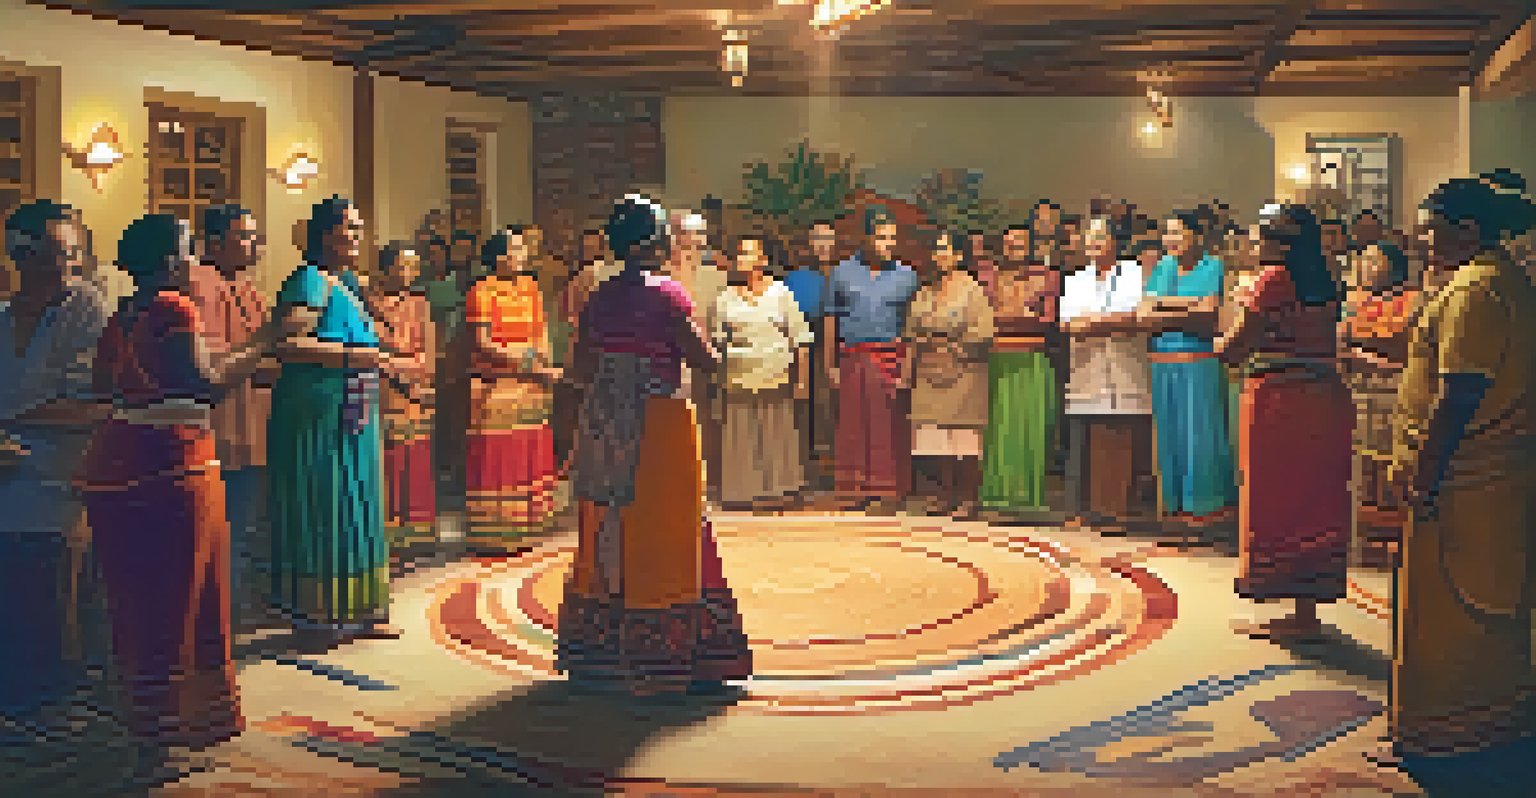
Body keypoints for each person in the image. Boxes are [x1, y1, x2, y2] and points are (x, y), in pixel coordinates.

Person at [78, 214, 277, 759]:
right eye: (189, 252)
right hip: (171, 464)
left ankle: (145, 715)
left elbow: (104, 388)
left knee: (136, 597)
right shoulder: (173, 307)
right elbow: (203, 386)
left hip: (117, 462)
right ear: (170, 262)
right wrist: (267, 342)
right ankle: (173, 727)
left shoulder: (123, 313)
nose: (195, 264)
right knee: (183, 595)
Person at [558, 194, 752, 696]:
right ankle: (665, 655)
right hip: (660, 425)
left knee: (609, 522)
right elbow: (705, 361)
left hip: (604, 421)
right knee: (666, 530)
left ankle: (603, 651)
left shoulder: (598, 298)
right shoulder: (668, 295)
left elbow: (578, 372)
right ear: (655, 242)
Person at [1379, 176, 1536, 760]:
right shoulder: (1500, 280)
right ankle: (1495, 724)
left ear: (1466, 229)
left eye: (1430, 230)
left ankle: (1447, 737)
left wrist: (1424, 474)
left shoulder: (1476, 289)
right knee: (1491, 607)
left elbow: (1461, 392)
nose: (1422, 242)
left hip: (1463, 483)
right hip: (1489, 481)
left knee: (1449, 614)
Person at [1214, 204, 1351, 641]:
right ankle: (1305, 611)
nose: (1254, 247)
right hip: (1323, 398)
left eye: (1259, 239)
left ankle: (1294, 612)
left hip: (1279, 400)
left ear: (1278, 242)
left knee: (1276, 500)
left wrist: (1222, 331)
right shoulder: (1324, 278)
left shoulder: (1273, 281)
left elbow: (1235, 348)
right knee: (1312, 500)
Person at [267, 196, 398, 641]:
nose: (358, 235)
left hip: (351, 409)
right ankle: (320, 615)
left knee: (358, 502)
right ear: (325, 234)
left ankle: (359, 611)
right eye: (350, 227)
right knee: (327, 505)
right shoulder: (308, 280)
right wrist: (357, 356)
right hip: (318, 413)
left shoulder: (344, 282)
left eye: (360, 227)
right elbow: (286, 345)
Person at [0, 200, 110, 728]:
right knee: (14, 590)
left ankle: (55, 704)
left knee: (54, 588)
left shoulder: (85, 306)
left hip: (59, 473)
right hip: (7, 474)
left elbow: (93, 401)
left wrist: (18, 415)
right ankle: (22, 697)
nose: (66, 264)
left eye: (73, 253)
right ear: (20, 254)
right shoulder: (2, 316)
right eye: (52, 252)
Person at [188, 204, 275, 633]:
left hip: (253, 424)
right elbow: (216, 366)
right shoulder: (201, 283)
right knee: (222, 529)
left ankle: (234, 610)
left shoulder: (248, 288)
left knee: (244, 527)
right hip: (220, 425)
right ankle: (218, 620)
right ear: (214, 242)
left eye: (256, 236)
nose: (255, 244)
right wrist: (265, 347)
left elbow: (262, 357)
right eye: (245, 236)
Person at [463, 227, 560, 542]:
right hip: (497, 386)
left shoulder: (531, 287)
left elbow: (542, 332)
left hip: (531, 385)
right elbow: (482, 343)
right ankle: (497, 532)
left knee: (530, 453)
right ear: (500, 257)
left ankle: (531, 526)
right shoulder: (481, 291)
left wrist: (542, 361)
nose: (523, 255)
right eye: (516, 249)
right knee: (501, 457)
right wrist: (528, 362)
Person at [1140, 210, 1236, 526]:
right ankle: (1174, 503)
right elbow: (1143, 311)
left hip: (1199, 359)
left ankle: (1206, 505)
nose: (1170, 240)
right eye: (1167, 233)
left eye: (1177, 233)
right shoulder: (1164, 266)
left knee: (1200, 430)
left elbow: (1209, 310)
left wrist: (1164, 305)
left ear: (1195, 235)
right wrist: (1189, 305)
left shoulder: (1213, 265)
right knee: (1168, 431)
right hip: (1162, 359)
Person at [1060, 217, 1154, 527]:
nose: (1092, 241)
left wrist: (1094, 323)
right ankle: (1086, 511)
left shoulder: (1134, 274)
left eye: (1100, 236)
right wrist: (1110, 322)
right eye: (1089, 236)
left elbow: (1137, 318)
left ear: (1115, 241)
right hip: (1087, 369)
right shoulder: (1075, 279)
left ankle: (1118, 512)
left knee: (1122, 438)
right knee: (1085, 442)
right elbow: (1068, 325)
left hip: (1126, 369)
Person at [826, 206, 920, 508]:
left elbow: (913, 324)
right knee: (853, 426)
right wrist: (829, 364)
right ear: (866, 238)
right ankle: (854, 491)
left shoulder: (907, 276)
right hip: (852, 356)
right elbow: (830, 321)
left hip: (890, 357)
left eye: (892, 238)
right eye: (881, 238)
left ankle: (888, 492)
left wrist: (907, 367)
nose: (887, 244)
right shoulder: (841, 273)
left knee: (888, 427)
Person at [713, 232, 813, 510]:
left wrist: (801, 380)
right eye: (738, 254)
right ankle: (742, 493)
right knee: (741, 435)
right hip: (738, 375)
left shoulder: (780, 293)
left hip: (774, 374)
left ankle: (781, 491)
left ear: (763, 259)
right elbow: (717, 340)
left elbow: (801, 339)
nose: (740, 260)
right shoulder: (726, 297)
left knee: (776, 433)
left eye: (747, 253)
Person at [904, 227, 993, 515]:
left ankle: (968, 498)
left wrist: (953, 347)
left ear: (958, 254)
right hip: (929, 368)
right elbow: (911, 330)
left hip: (964, 370)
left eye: (946, 249)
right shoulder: (926, 289)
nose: (940, 255)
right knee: (935, 438)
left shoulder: (973, 289)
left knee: (963, 437)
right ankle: (944, 496)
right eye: (937, 249)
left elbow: (983, 331)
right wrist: (922, 350)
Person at [1339, 240, 1417, 566]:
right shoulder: (1352, 299)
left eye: (1375, 259)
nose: (1366, 265)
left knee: (1393, 462)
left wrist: (1364, 348)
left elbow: (1404, 340)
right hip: (1358, 388)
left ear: (1395, 266)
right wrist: (1372, 352)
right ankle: (1363, 536)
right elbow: (1342, 340)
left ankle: (1396, 535)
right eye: (1364, 259)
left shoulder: (1412, 298)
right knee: (1361, 464)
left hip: (1398, 390)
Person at [983, 223, 1060, 511]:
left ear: (1030, 246)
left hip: (1031, 361)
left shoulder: (1047, 277)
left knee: (1029, 431)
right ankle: (994, 497)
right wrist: (1020, 313)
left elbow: (1046, 321)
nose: (1013, 246)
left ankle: (1024, 499)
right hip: (996, 360)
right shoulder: (988, 277)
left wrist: (1005, 315)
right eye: (1008, 240)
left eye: (1019, 241)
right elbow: (982, 319)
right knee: (996, 431)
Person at [371, 243, 437, 546]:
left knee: (415, 463)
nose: (410, 273)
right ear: (385, 270)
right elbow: (372, 352)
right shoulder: (368, 304)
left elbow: (427, 351)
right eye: (402, 266)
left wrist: (417, 379)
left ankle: (418, 537)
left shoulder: (420, 303)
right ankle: (385, 536)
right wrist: (400, 364)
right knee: (386, 464)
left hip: (415, 394)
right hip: (381, 394)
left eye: (414, 266)